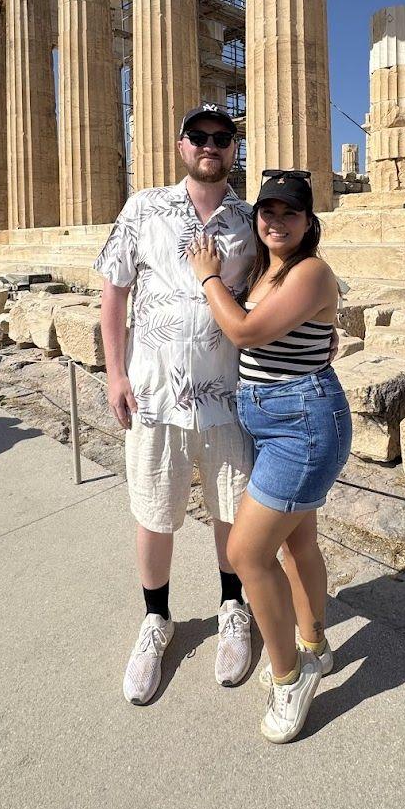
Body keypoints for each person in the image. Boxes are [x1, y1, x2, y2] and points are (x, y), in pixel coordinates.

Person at [94, 105, 258, 706]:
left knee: (230, 511)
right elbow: (114, 292)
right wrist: (114, 373)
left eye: (222, 138)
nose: (210, 146)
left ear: (233, 148)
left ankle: (233, 608)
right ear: (181, 145)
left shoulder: (250, 218)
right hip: (154, 394)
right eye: (200, 138)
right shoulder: (143, 207)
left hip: (228, 395)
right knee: (153, 509)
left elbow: (274, 289)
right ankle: (156, 620)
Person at [186, 170, 351, 744]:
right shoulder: (265, 270)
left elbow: (247, 333)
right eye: (268, 212)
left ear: (309, 223)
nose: (276, 222)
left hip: (304, 422)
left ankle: (289, 677)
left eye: (289, 213)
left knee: (246, 551)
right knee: (296, 542)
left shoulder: (311, 272)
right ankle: (314, 644)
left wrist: (207, 277)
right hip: (269, 417)